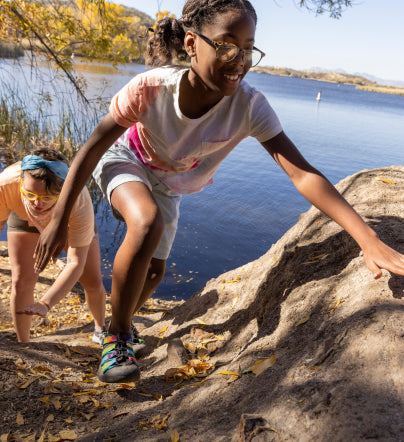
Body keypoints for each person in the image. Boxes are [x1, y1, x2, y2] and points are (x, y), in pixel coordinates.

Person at [33, 0, 404, 383]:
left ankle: (119, 321)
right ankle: (118, 338)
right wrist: (59, 217)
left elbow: (303, 174)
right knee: (146, 223)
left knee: (155, 273)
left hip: (170, 184)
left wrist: (368, 238)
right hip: (127, 159)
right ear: (192, 43)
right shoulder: (151, 88)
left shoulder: (249, 107)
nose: (239, 59)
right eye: (227, 45)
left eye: (248, 48)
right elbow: (92, 146)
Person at [0, 148, 106, 343]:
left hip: (66, 221)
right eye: (30, 194)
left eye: (47, 197)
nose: (37, 204)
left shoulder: (79, 200)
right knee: (21, 281)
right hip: (23, 218)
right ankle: (24, 343)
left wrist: (45, 303)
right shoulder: (6, 184)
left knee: (91, 280)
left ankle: (100, 328)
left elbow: (75, 262)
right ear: (21, 182)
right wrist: (33, 198)